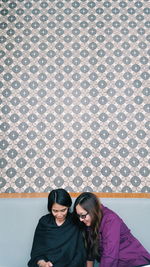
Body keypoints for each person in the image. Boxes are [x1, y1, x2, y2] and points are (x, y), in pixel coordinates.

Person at [73, 192, 150, 267]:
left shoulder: (111, 219)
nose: (80, 219)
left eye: (83, 215)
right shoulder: (89, 222)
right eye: (79, 216)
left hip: (136, 263)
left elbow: (110, 255)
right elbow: (90, 254)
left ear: (92, 211)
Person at [28, 188, 87, 267]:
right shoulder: (44, 222)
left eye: (63, 210)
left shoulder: (76, 221)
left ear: (68, 206)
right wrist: (43, 264)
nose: (59, 215)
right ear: (50, 209)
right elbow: (36, 253)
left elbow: (80, 254)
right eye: (55, 211)